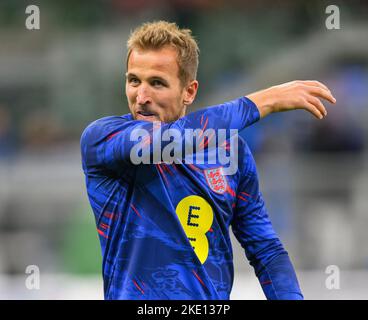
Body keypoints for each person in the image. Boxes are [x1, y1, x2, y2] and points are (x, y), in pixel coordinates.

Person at [80, 21, 336, 300]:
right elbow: (170, 140)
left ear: (189, 91)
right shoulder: (103, 140)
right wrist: (266, 101)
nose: (141, 97)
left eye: (157, 83)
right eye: (133, 81)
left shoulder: (230, 152)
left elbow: (265, 249)